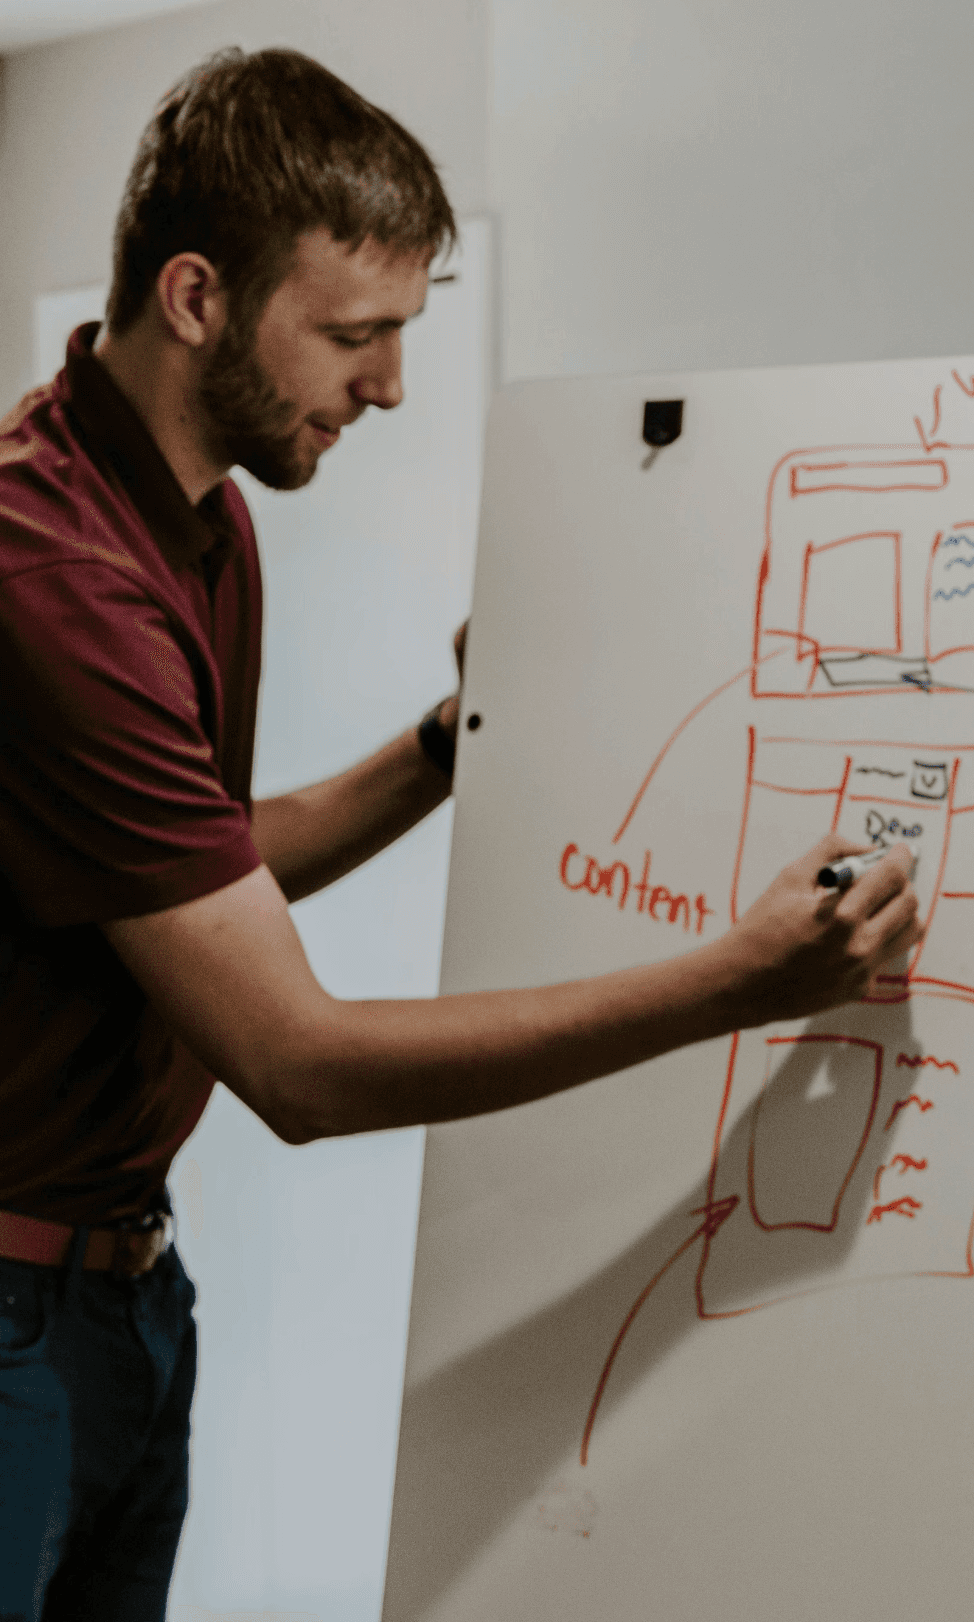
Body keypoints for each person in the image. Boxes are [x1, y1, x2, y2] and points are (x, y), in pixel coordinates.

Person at [0, 48, 920, 1618]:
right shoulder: (53, 576)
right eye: (353, 333)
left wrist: (445, 746)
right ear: (197, 297)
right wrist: (743, 980)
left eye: (403, 333)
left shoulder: (199, 514)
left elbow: (191, 864)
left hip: (122, 1297)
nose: (389, 385)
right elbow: (295, 1062)